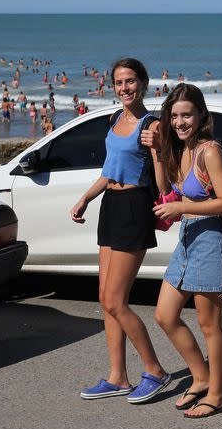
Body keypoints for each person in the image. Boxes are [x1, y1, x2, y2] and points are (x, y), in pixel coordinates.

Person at [71, 58, 170, 404]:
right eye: (118, 82)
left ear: (143, 83)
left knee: (115, 299)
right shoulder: (115, 119)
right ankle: (118, 376)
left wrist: (157, 149)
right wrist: (86, 196)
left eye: (130, 81)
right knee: (106, 299)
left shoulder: (152, 124)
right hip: (110, 206)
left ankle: (155, 369)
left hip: (134, 207)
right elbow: (109, 169)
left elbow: (162, 184)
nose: (124, 88)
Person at [141, 84, 222, 418]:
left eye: (187, 115)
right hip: (188, 237)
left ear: (200, 116)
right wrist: (157, 153)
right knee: (165, 314)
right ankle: (200, 377)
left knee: (210, 325)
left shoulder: (210, 150)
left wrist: (180, 205)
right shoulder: (180, 149)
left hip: (211, 238)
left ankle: (217, 394)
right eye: (175, 115)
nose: (180, 122)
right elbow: (166, 189)